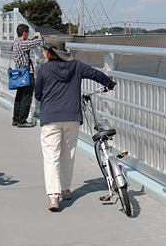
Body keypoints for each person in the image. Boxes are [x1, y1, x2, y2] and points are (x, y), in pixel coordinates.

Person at [34, 36, 114, 211]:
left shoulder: (44, 69)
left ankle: (53, 196)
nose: (43, 53)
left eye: (44, 50)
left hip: (50, 118)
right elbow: (95, 74)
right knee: (68, 155)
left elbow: (38, 94)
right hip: (72, 117)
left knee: (51, 157)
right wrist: (109, 83)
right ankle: (65, 189)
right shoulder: (77, 66)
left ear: (50, 51)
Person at [11, 23, 43, 127]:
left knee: (19, 97)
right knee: (26, 97)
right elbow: (38, 42)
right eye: (28, 33)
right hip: (26, 74)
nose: (29, 35)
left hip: (19, 74)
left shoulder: (16, 42)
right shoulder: (22, 44)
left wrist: (31, 40)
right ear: (24, 33)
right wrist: (39, 37)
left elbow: (28, 44)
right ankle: (22, 121)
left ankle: (16, 119)